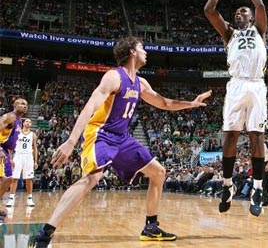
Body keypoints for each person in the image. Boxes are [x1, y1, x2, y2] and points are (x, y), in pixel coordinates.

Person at [30, 37, 212, 247]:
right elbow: (89, 108)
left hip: (122, 138)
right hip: (101, 134)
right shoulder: (113, 77)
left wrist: (191, 103)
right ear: (132, 52)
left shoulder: (140, 82)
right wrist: (71, 141)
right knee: (92, 178)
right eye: (142, 48)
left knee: (158, 172)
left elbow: (164, 103)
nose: (146, 51)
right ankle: (44, 234)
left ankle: (151, 227)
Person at [204, 0, 268, 216]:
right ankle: (228, 186)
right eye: (237, 12)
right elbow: (209, 11)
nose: (239, 14)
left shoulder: (260, 31)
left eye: (244, 11)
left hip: (256, 84)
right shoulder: (229, 33)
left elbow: (260, 5)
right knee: (230, 137)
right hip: (237, 84)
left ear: (251, 18)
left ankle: (258, 189)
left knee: (256, 137)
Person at [0, 99, 29, 208]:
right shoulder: (10, 117)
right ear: (15, 105)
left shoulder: (19, 121)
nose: (25, 106)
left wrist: (11, 158)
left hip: (6, 151)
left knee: (7, 180)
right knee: (6, 179)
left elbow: (10, 141)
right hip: (1, 149)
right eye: (22, 104)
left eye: (26, 104)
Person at [6, 118, 38, 207]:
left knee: (29, 179)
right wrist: (11, 158)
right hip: (18, 155)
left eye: (30, 122)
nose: (29, 123)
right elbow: (11, 145)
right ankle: (11, 199)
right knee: (14, 178)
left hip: (28, 156)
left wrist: (35, 161)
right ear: (23, 123)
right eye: (27, 121)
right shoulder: (17, 133)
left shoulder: (33, 135)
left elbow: (35, 148)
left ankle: (30, 199)